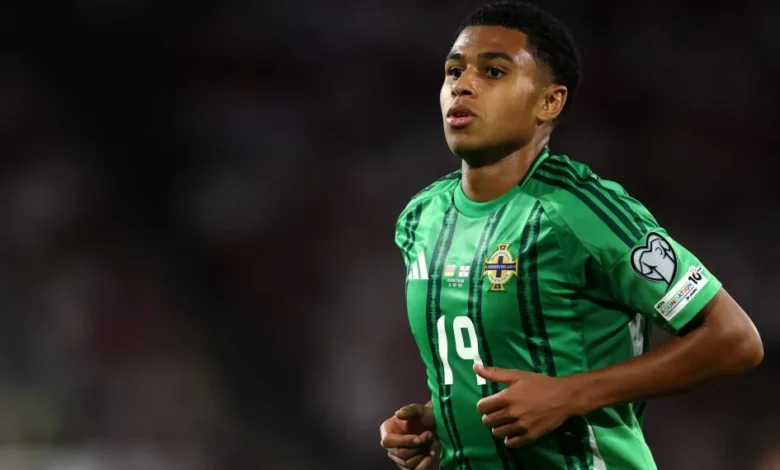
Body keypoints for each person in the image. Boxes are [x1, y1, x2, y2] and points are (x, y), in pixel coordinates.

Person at [379, 2, 764, 469]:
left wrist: (570, 394)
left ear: (549, 102)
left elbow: (734, 338)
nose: (462, 85)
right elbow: (482, 360)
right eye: (454, 71)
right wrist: (441, 421)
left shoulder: (580, 212)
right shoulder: (422, 217)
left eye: (494, 71)